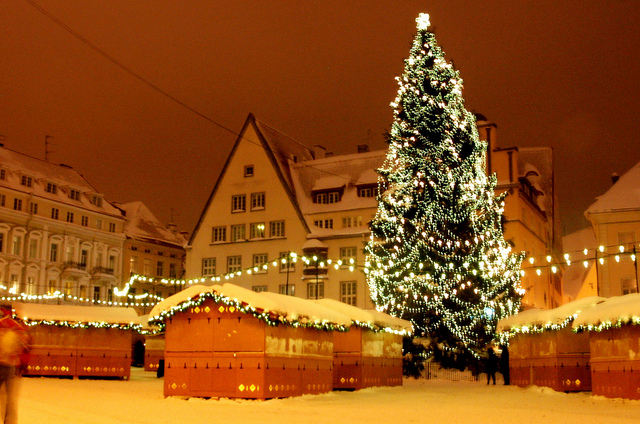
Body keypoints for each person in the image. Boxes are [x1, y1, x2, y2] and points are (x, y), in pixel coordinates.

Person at [0, 306, 30, 424]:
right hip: (10, 366)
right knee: (10, 398)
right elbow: (24, 345)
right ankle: (10, 420)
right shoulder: (16, 328)